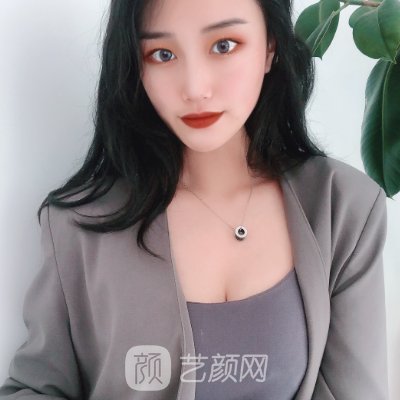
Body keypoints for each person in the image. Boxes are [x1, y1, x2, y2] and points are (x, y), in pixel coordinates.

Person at [0, 0, 389, 399]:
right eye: (162, 54)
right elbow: (34, 387)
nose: (194, 88)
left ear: (270, 46)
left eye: (224, 45)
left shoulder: (341, 208)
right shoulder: (81, 225)